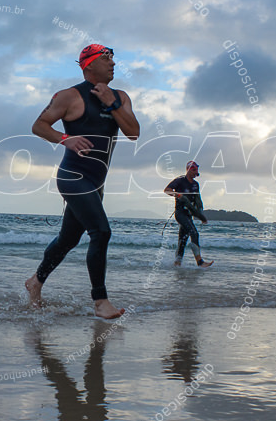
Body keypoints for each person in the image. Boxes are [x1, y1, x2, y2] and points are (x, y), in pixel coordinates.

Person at [25, 44, 140, 319]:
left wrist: (111, 102)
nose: (113, 63)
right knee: (101, 232)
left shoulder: (120, 97)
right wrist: (65, 139)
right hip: (73, 177)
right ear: (88, 65)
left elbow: (133, 132)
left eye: (113, 58)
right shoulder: (69, 96)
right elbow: (39, 125)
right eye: (106, 58)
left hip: (96, 182)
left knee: (67, 239)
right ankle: (100, 301)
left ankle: (35, 283)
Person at [163, 161, 214, 268]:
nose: (196, 172)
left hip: (188, 215)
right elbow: (167, 190)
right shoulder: (180, 181)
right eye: (194, 169)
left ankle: (177, 263)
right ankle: (200, 262)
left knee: (183, 239)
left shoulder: (196, 185)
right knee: (194, 233)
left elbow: (198, 200)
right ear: (189, 170)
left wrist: (200, 215)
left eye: (197, 170)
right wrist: (178, 195)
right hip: (180, 213)